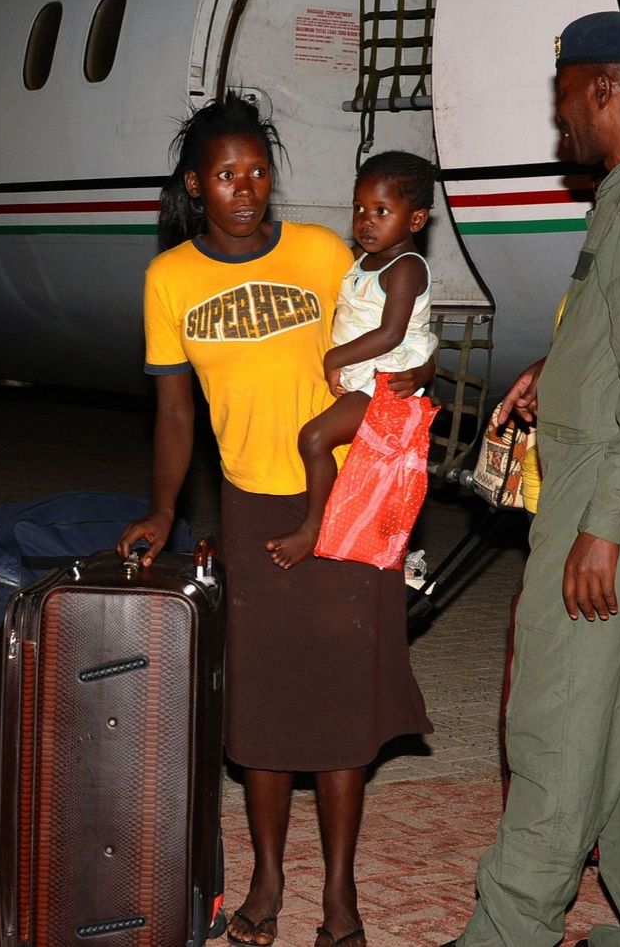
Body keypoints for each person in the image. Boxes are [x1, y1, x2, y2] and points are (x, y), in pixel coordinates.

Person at [440, 11, 620, 947]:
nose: (558, 110)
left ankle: (509, 928)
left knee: (560, 718)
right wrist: (559, 365)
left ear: (604, 87)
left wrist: (603, 520)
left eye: (565, 89)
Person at [118, 97, 432, 947]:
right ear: (195, 185)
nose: (247, 188)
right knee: (261, 710)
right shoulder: (170, 278)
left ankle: (341, 895)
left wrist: (410, 395)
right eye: (226, 174)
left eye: (259, 170)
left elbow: (401, 336)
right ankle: (265, 877)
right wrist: (162, 506)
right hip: (253, 503)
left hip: (348, 499)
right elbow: (176, 412)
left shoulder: (324, 253)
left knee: (340, 709)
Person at [265, 151, 439, 569]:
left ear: (415, 220)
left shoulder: (406, 267)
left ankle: (312, 528)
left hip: (384, 377)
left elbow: (391, 332)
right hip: (364, 372)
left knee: (314, 438)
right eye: (359, 208)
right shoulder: (364, 260)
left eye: (381, 211)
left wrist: (334, 356)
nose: (366, 220)